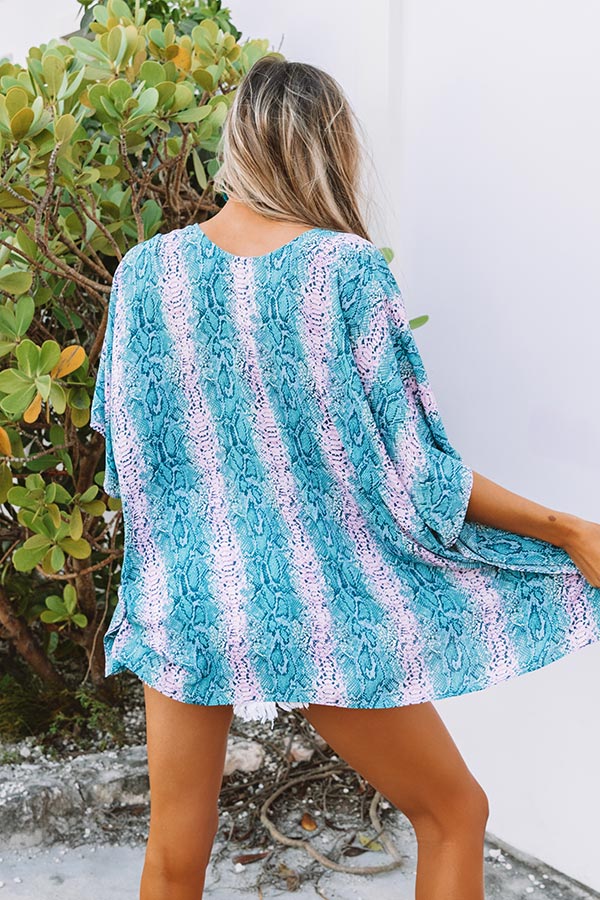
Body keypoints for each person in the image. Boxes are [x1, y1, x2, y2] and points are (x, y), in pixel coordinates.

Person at [90, 55, 600, 900]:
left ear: (235, 146)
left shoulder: (146, 273)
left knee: (174, 854)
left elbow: (130, 459)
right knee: (453, 812)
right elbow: (422, 477)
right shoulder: (345, 270)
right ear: (331, 148)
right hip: (313, 606)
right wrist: (569, 530)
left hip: (184, 601)